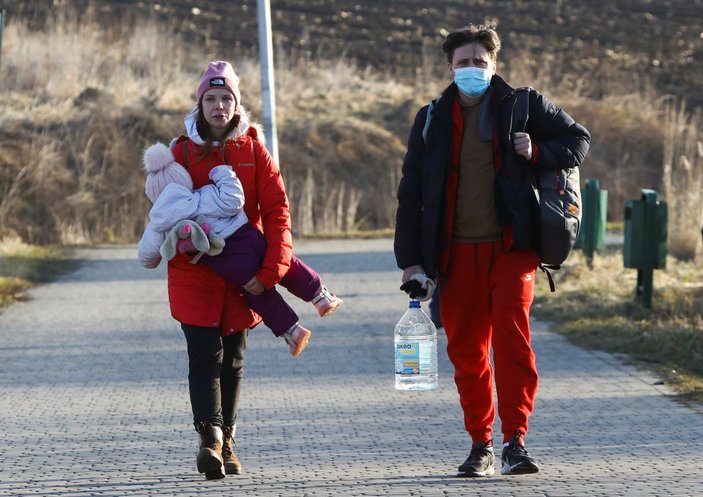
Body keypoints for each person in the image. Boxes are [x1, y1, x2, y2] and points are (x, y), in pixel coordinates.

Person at [394, 25, 590, 478]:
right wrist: (411, 261)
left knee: (512, 342)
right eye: (463, 63)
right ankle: (480, 443)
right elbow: (411, 194)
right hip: (455, 255)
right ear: (449, 67)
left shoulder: (523, 105)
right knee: (467, 351)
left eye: (480, 62)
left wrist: (537, 149)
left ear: (494, 65)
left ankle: (515, 441)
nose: (471, 70)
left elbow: (578, 141)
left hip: (511, 249)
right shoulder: (431, 118)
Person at [136, 60, 327, 480]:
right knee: (203, 355)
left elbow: (278, 211)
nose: (219, 106)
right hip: (194, 274)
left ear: (236, 104)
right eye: (211, 98)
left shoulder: (255, 149)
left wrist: (273, 269)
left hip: (244, 272)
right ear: (199, 103)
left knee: (233, 360)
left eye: (226, 99)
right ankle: (211, 442)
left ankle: (229, 441)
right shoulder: (179, 152)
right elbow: (162, 208)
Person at [138, 144, 343, 356]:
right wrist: (224, 174)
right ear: (184, 180)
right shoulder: (203, 196)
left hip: (226, 260)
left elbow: (146, 257)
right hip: (246, 238)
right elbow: (234, 201)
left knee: (257, 294)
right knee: (286, 264)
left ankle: (292, 332)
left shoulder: (159, 222)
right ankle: (320, 297)